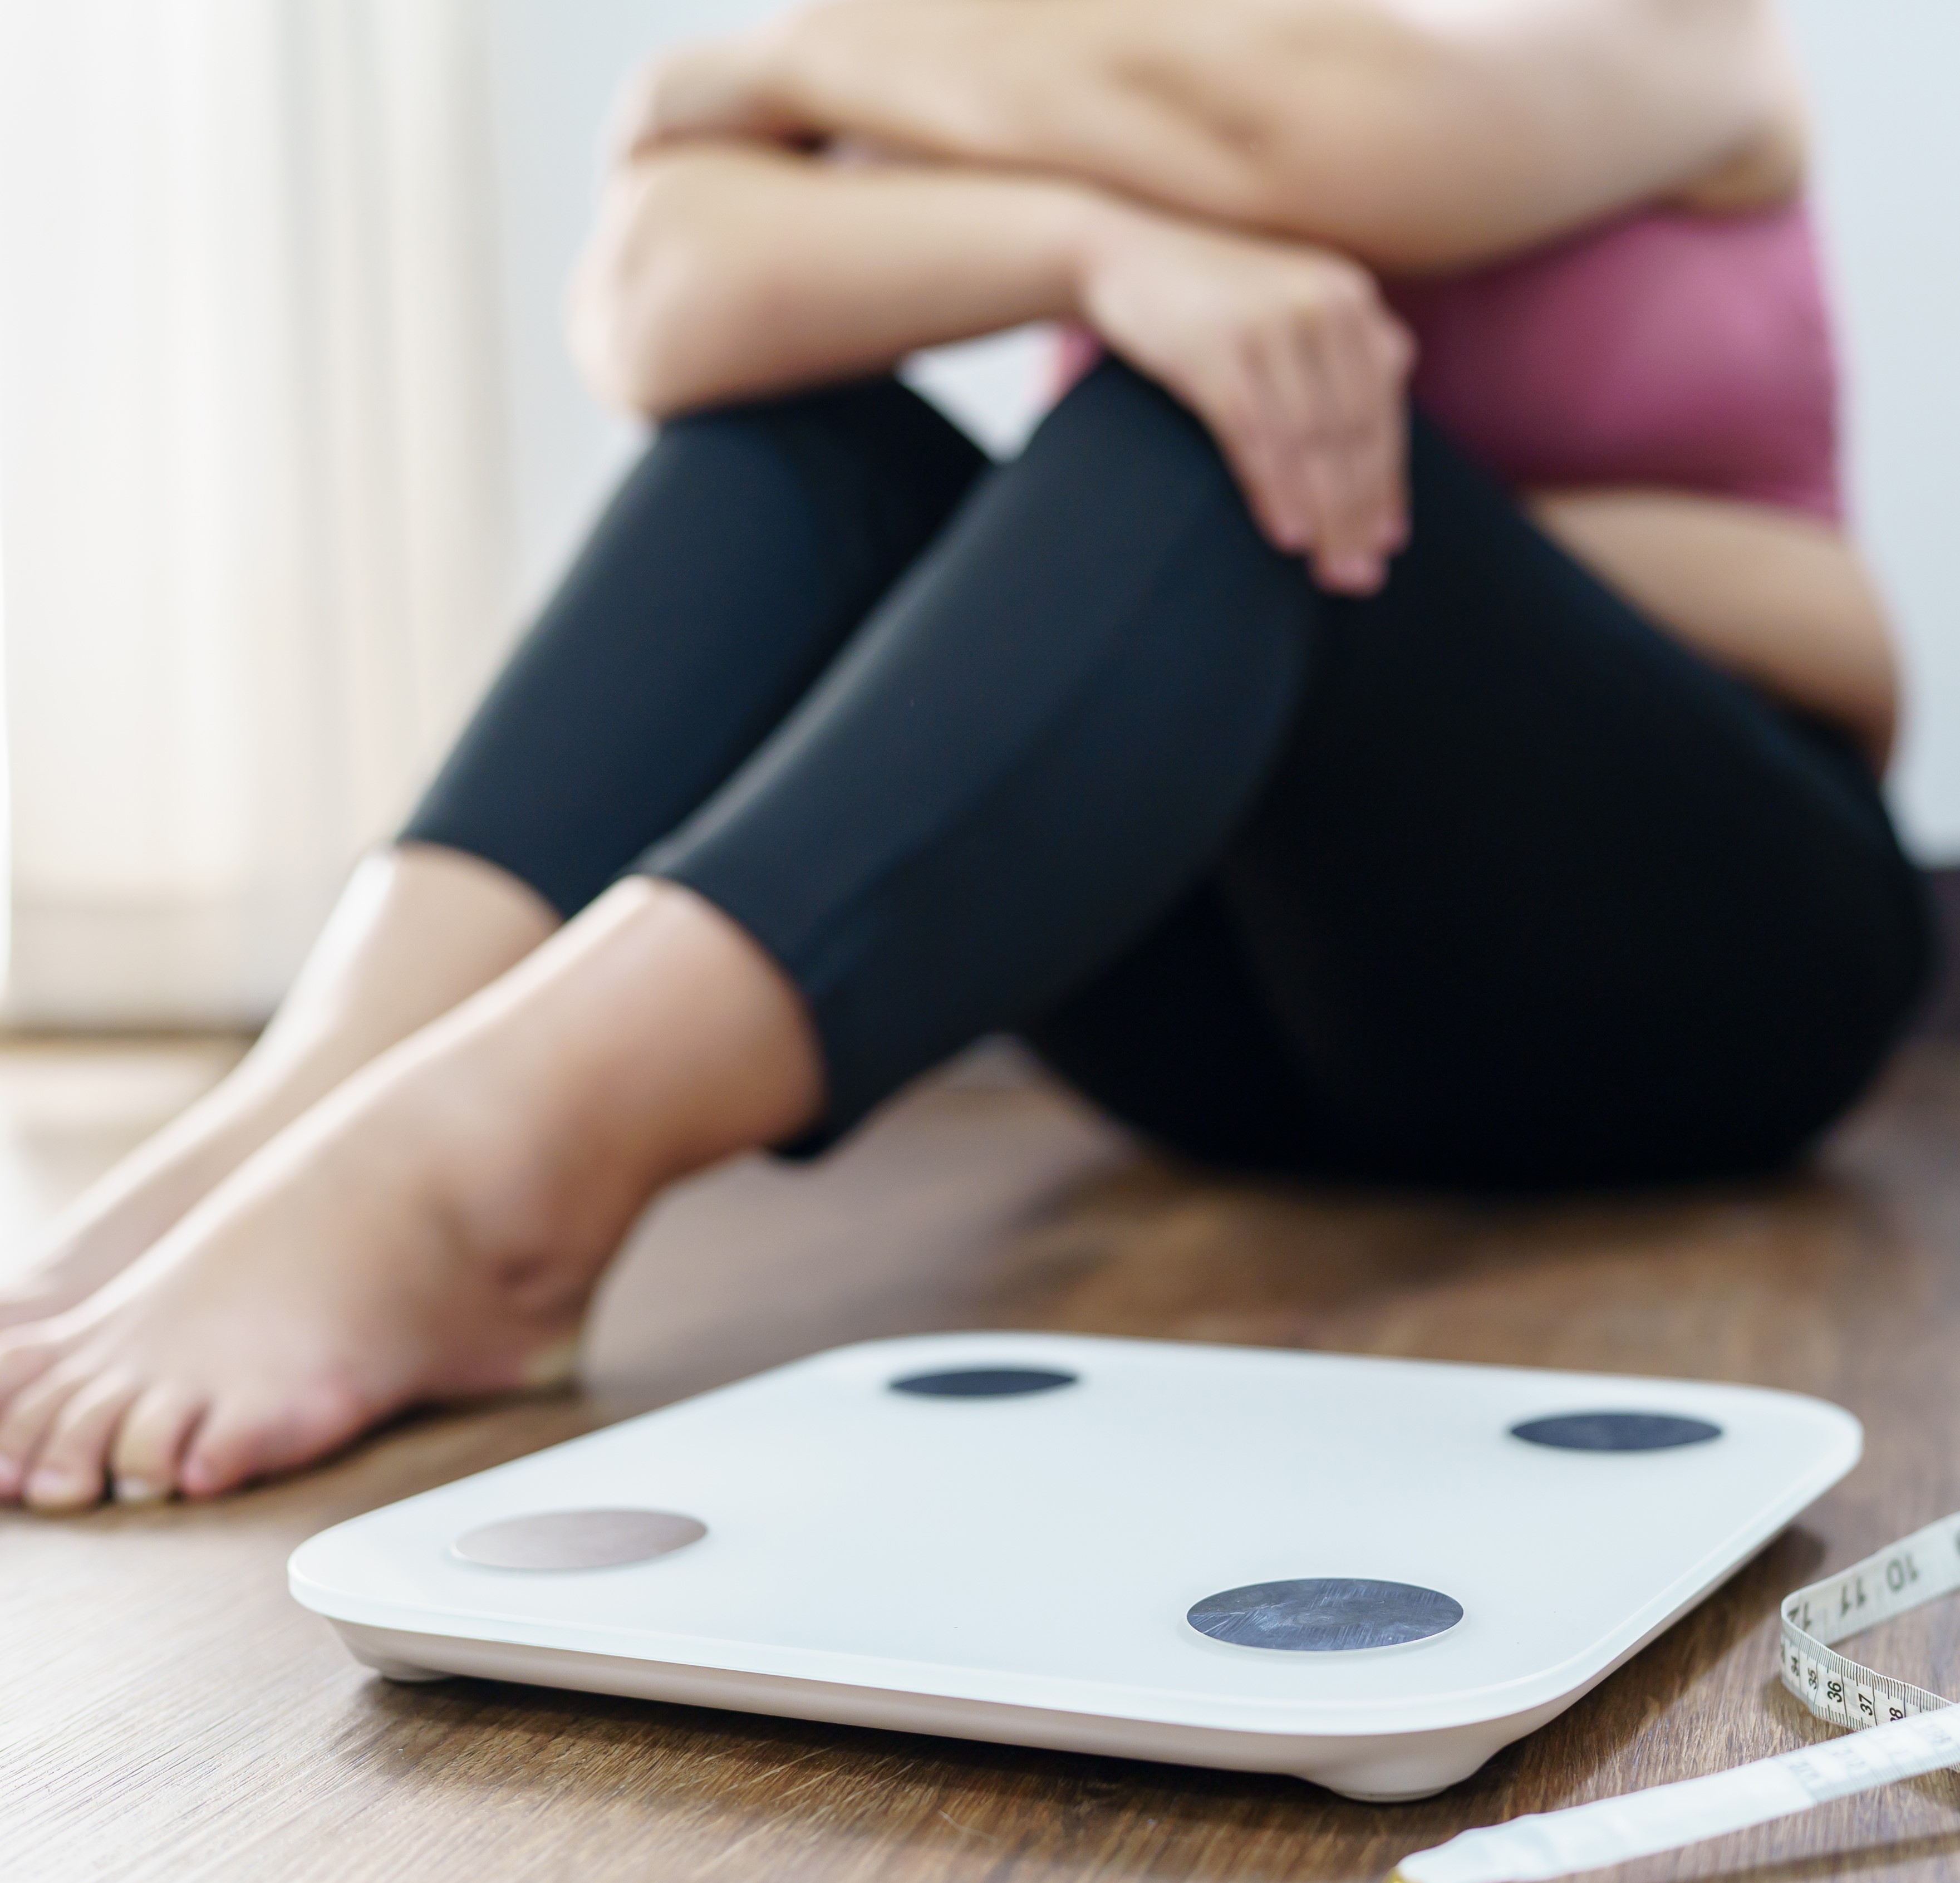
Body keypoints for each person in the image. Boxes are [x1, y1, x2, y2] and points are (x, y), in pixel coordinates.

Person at [0, 0, 1930, 1512]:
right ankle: (309, 1105)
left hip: (1690, 973)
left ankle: (485, 1189)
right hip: (1223, 1016)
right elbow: (659, 298)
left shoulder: (1657, 21)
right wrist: (1093, 241)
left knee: (1224, 430)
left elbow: (1275, 133)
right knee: (794, 444)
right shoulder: (1059, 45)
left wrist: (771, 67)